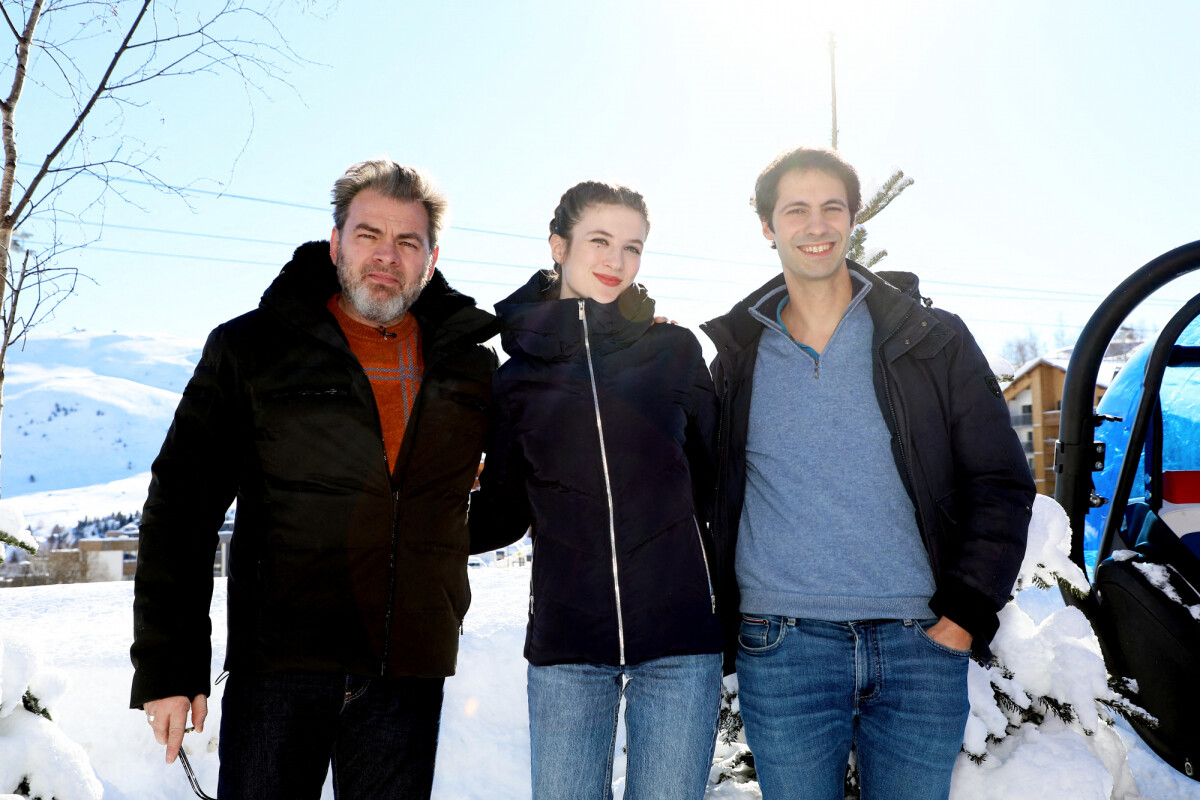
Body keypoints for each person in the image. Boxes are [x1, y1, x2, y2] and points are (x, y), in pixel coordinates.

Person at [130, 159, 498, 799]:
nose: (387, 255)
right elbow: (181, 509)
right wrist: (169, 664)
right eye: (368, 235)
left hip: (406, 675)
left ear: (431, 260)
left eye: (408, 241)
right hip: (280, 669)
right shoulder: (250, 349)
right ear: (335, 244)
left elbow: (505, 495)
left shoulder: (467, 367)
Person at [701, 147, 1035, 799]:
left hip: (921, 644)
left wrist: (965, 612)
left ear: (853, 219)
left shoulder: (933, 341)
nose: (816, 224)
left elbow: (999, 482)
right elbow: (696, 486)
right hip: (782, 645)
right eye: (795, 209)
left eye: (833, 207)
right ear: (767, 226)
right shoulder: (737, 361)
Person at [470, 181, 724, 800]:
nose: (617, 261)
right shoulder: (515, 380)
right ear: (559, 245)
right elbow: (502, 514)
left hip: (680, 644)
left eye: (633, 247)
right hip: (566, 647)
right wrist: (404, 524)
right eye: (600, 241)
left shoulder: (673, 350)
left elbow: (717, 482)